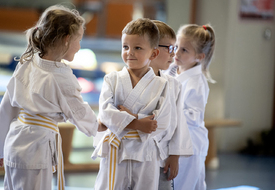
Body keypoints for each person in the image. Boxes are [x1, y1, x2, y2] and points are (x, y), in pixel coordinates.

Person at [0, 5, 99, 190]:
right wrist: (104, 128)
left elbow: (7, 106)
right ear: (67, 39)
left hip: (14, 143)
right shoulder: (62, 77)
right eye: (79, 40)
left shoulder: (27, 61)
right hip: (36, 150)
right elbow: (81, 114)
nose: (79, 47)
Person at [92, 18, 172, 190]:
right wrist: (137, 123)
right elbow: (105, 114)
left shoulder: (162, 85)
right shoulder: (111, 79)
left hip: (145, 152)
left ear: (153, 54)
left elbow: (162, 121)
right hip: (116, 150)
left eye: (138, 48)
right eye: (125, 47)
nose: (129, 52)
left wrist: (131, 117)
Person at [165, 24, 216, 190]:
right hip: (176, 138)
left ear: (199, 57)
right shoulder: (172, 69)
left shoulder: (197, 83)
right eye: (176, 47)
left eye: (184, 50)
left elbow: (191, 117)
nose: (177, 53)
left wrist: (166, 111)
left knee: (185, 185)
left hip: (191, 144)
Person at [148, 20, 194, 190]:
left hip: (162, 156)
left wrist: (174, 154)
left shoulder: (173, 84)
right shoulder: (123, 80)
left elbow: (179, 122)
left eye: (175, 48)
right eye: (170, 48)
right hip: (134, 155)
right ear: (152, 49)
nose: (173, 55)